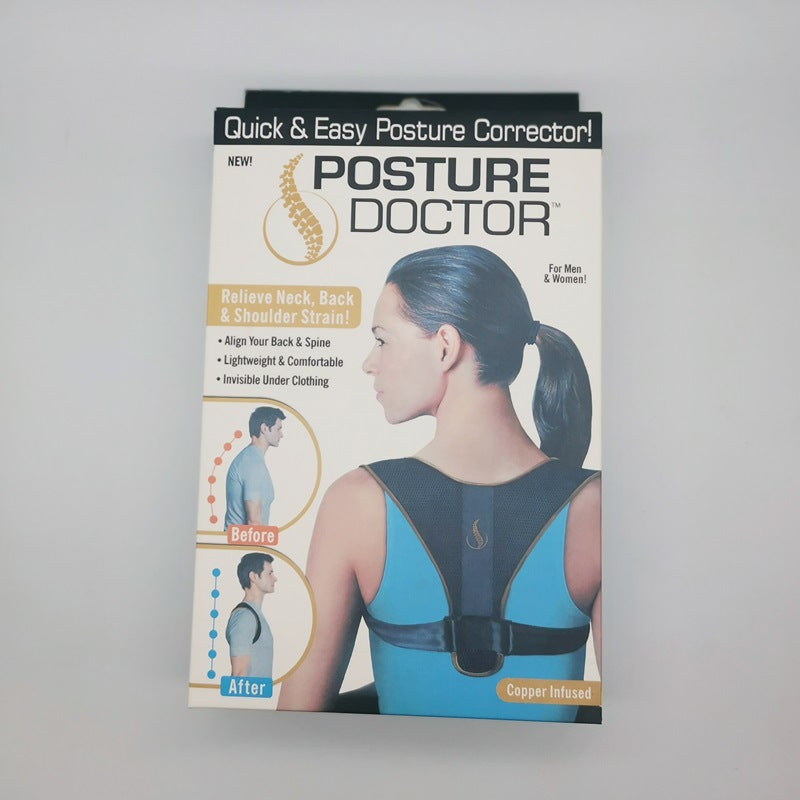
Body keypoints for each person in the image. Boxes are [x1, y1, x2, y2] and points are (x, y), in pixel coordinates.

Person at [278, 246, 600, 722]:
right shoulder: (597, 509)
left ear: (445, 346)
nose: (369, 363)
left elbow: (293, 727)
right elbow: (640, 728)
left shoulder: (357, 505)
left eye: (382, 341)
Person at [224, 406, 285, 528]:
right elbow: (254, 522)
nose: (281, 434)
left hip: (244, 539)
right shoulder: (252, 463)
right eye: (278, 429)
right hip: (244, 540)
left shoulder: (251, 458)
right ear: (264, 428)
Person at [226, 552, 277, 678]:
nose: (275, 578)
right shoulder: (245, 617)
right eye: (270, 573)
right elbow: (238, 675)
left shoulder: (253, 614)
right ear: (253, 576)